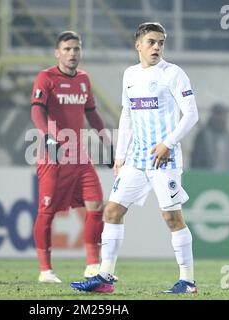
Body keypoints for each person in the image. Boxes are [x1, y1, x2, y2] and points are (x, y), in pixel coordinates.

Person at [70, 22, 199, 294]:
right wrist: (120, 157)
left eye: (161, 42)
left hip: (165, 159)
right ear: (137, 45)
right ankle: (105, 278)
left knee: (171, 217)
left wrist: (168, 143)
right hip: (136, 159)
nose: (157, 47)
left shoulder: (173, 74)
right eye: (151, 42)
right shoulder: (129, 75)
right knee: (112, 211)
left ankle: (187, 281)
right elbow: (127, 116)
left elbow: (191, 115)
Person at [30, 30, 114, 284]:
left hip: (79, 156)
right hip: (52, 156)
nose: (72, 53)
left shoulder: (84, 80)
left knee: (96, 205)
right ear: (58, 53)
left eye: (76, 49)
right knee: (47, 212)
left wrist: (107, 142)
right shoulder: (46, 78)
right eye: (67, 49)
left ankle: (92, 265)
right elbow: (36, 110)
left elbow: (92, 113)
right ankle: (45, 270)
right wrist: (46, 136)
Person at [190, 103, 229, 171]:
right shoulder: (203, 136)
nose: (224, 118)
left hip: (226, 178)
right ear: (214, 116)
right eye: (220, 114)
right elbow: (196, 161)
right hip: (206, 177)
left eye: (225, 115)